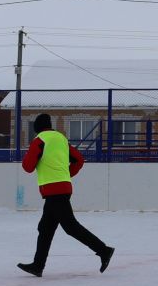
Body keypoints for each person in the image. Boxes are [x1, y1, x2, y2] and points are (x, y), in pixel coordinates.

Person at [17, 113, 113, 276]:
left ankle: (103, 250)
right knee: (45, 229)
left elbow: (27, 167)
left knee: (70, 227)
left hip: (54, 191)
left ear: (37, 128)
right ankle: (38, 265)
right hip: (63, 188)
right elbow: (79, 160)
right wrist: (66, 174)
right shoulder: (61, 139)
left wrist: (35, 156)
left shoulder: (40, 140)